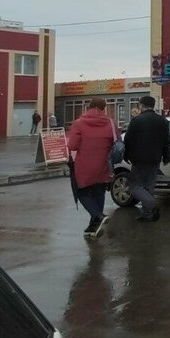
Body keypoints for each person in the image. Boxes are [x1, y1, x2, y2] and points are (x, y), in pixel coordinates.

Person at [67, 97, 117, 239]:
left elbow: (72, 146)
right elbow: (116, 141)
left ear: (89, 107)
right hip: (103, 164)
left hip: (84, 165)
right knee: (98, 193)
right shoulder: (110, 123)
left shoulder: (79, 123)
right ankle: (93, 226)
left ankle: (98, 216)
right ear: (103, 108)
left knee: (82, 192)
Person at [122, 95, 170, 223]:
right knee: (149, 185)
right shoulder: (162, 121)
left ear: (142, 105)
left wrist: (126, 155)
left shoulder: (136, 120)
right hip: (155, 158)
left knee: (133, 186)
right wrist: (166, 156)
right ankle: (146, 213)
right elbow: (166, 141)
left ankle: (151, 204)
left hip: (138, 159)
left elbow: (128, 140)